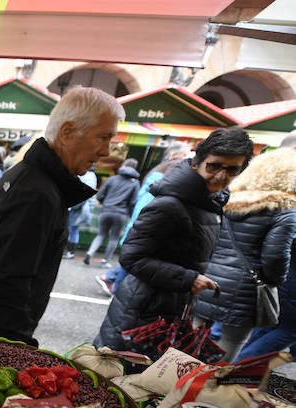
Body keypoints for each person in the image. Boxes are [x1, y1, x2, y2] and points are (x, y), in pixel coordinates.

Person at [0, 87, 123, 346]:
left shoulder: (33, 178)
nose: (106, 151)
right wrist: (20, 346)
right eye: (103, 137)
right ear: (67, 132)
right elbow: (6, 282)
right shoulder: (37, 192)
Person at [94, 127, 255, 350]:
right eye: (214, 166)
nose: (220, 176)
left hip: (173, 308)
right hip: (142, 310)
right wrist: (189, 279)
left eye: (231, 170)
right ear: (195, 164)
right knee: (115, 375)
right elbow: (132, 258)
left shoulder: (210, 204)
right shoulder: (169, 205)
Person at [191, 148, 296, 361]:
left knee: (194, 334)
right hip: (246, 289)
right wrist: (274, 282)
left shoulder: (229, 198)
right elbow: (275, 257)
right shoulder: (285, 211)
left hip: (209, 277)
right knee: (231, 341)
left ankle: (173, 379)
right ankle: (204, 387)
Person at [96, 142, 190, 294]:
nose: (186, 160)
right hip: (144, 222)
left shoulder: (153, 173)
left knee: (127, 252)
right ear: (173, 155)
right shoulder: (168, 174)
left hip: (132, 218)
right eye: (185, 155)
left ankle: (109, 277)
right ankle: (115, 288)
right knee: (135, 256)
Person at [83, 157, 140, 268]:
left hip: (105, 211)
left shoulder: (112, 179)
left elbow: (99, 196)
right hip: (121, 214)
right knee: (114, 238)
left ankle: (90, 252)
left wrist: (106, 203)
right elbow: (133, 202)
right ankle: (104, 261)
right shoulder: (135, 183)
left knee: (101, 234)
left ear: (124, 166)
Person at [65, 165, 97, 259]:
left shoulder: (88, 176)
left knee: (72, 229)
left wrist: (71, 205)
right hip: (78, 208)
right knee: (73, 229)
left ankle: (70, 252)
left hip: (78, 208)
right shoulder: (91, 176)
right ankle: (70, 251)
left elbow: (83, 194)